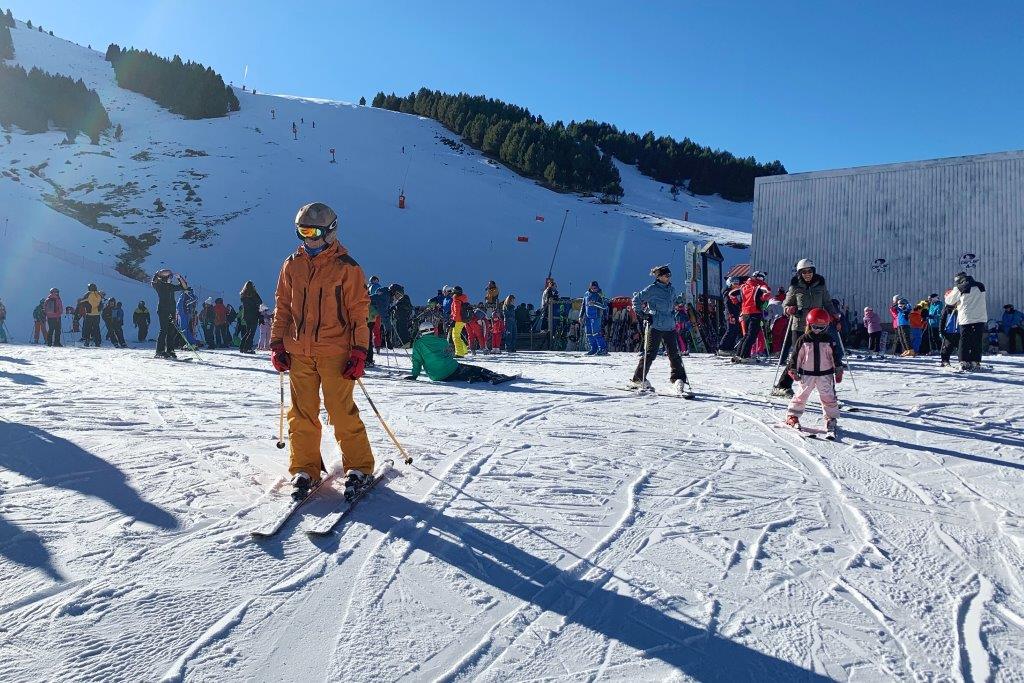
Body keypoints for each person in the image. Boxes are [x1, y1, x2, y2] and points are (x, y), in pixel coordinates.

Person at [270, 201, 376, 499]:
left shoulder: (347, 268)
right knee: (302, 413)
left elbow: (358, 312)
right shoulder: (292, 265)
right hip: (299, 352)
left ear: (330, 232)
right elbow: (283, 307)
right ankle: (304, 468)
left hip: (336, 352)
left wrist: (359, 351)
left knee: (340, 411)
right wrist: (277, 343)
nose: (308, 238)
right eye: (302, 231)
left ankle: (360, 467)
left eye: (314, 231)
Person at [771, 259, 842, 398]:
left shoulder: (820, 285)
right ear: (799, 273)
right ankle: (782, 386)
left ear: (813, 271)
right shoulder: (795, 286)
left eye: (809, 271)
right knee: (798, 357)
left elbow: (827, 302)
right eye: (804, 272)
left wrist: (835, 316)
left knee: (824, 357)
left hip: (818, 326)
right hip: (799, 326)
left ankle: (829, 390)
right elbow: (785, 304)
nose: (807, 274)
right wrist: (788, 309)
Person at [628, 265, 690, 395]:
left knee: (674, 354)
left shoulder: (671, 289)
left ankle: (678, 379)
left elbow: (673, 302)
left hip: (670, 326)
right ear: (659, 276)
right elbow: (636, 300)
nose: (668, 277)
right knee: (650, 353)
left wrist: (679, 300)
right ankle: (638, 379)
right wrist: (643, 314)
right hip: (655, 325)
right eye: (666, 275)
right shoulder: (652, 289)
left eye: (669, 275)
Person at [784, 308, 843, 434]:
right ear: (809, 325)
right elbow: (796, 356)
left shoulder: (829, 340)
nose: (818, 331)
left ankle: (831, 418)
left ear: (826, 326)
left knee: (828, 397)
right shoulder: (804, 339)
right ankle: (792, 416)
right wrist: (793, 369)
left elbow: (835, 356)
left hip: (825, 375)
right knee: (801, 395)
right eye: (815, 327)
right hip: (807, 374)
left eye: (821, 327)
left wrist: (838, 370)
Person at [405, 321, 515, 384]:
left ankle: (474, 377)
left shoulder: (418, 344)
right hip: (451, 369)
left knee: (465, 372)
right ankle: (495, 377)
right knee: (475, 369)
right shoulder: (442, 341)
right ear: (432, 330)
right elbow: (450, 354)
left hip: (435, 376)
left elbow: (417, 361)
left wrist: (414, 375)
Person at [945, 271, 987, 371]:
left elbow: (949, 301)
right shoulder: (980, 286)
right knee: (977, 340)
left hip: (966, 318)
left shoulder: (960, 288)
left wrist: (948, 295)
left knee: (964, 340)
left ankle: (963, 361)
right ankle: (975, 361)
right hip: (980, 317)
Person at [732, 271, 771, 362]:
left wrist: (737, 303)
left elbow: (731, 294)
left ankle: (739, 355)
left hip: (745, 313)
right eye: (762, 278)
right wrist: (763, 298)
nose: (763, 279)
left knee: (746, 336)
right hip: (755, 313)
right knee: (751, 336)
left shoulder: (743, 286)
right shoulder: (759, 286)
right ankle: (745, 356)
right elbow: (768, 292)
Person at [153, 270, 188, 358]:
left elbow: (184, 287)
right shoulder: (159, 286)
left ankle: (170, 350)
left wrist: (180, 278)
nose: (170, 279)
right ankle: (159, 351)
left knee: (171, 331)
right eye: (169, 278)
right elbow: (154, 281)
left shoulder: (171, 286)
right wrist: (159, 273)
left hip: (172, 310)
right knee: (163, 330)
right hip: (163, 310)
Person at [580, 281, 608, 356]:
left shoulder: (600, 294)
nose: (594, 289)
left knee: (596, 333)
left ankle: (602, 349)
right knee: (588, 334)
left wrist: (595, 304)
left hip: (596, 316)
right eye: (593, 287)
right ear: (590, 287)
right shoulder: (586, 294)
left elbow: (604, 306)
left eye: (595, 287)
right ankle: (593, 349)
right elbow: (583, 306)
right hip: (587, 317)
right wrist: (580, 316)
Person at [239, 280, 262, 354]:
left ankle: (242, 347)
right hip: (254, 315)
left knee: (248, 331)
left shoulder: (243, 295)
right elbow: (260, 303)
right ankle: (248, 348)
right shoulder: (254, 294)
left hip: (246, 316)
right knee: (251, 333)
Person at [450, 285, 471, 358]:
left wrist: (454, 320)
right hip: (463, 320)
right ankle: (464, 350)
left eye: (453, 292)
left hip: (458, 320)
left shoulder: (457, 300)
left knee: (455, 336)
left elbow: (456, 311)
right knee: (458, 335)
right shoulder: (463, 298)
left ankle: (459, 353)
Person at [939, 297, 960, 367]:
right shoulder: (946, 310)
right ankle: (945, 360)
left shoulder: (960, 309)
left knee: (961, 347)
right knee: (947, 348)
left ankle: (963, 361)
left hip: (958, 332)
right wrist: (941, 331)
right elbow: (942, 321)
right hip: (948, 332)